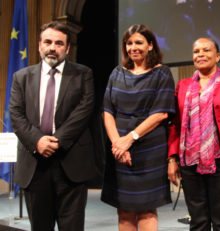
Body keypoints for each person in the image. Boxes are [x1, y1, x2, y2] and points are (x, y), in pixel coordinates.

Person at [9, 21, 96, 231]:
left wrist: (56, 141)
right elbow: (16, 114)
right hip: (34, 163)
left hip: (70, 162)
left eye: (59, 43)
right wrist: (38, 140)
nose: (52, 47)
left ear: (66, 48)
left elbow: (83, 111)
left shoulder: (83, 74)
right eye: (47, 42)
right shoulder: (21, 77)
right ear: (39, 45)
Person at [168, 37, 220, 231]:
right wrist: (172, 158)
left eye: (206, 50)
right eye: (196, 51)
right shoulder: (183, 85)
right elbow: (176, 124)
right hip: (190, 163)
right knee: (198, 222)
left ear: (217, 56)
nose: (201, 55)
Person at [100, 24, 175, 231]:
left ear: (150, 45)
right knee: (123, 209)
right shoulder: (117, 73)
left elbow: (161, 113)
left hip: (149, 149)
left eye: (139, 42)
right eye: (129, 43)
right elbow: (107, 111)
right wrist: (118, 143)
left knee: (146, 210)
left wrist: (129, 138)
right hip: (119, 150)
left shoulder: (162, 73)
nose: (133, 47)